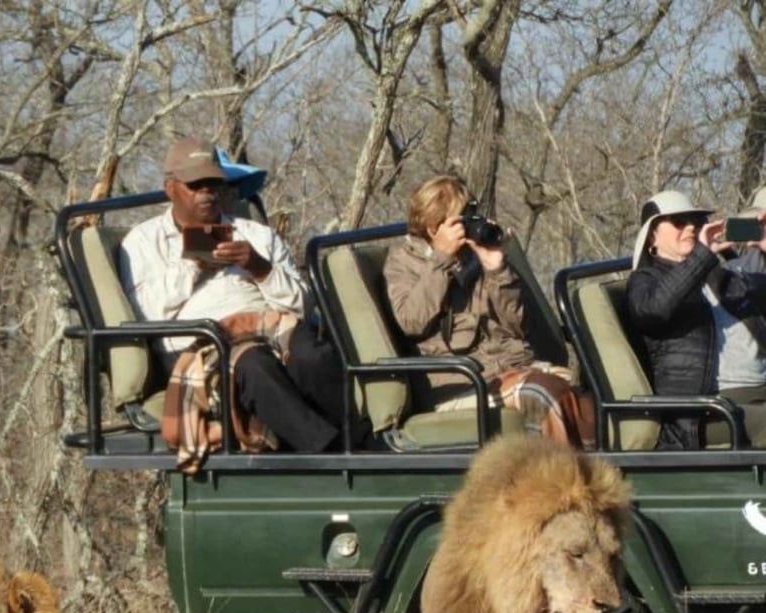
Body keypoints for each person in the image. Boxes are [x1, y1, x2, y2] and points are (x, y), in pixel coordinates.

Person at [118, 137, 355, 454]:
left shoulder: (256, 235)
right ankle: (332, 456)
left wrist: (259, 268)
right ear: (170, 188)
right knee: (255, 365)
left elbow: (303, 304)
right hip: (203, 341)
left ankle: (360, 440)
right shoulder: (144, 241)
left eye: (214, 183)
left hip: (269, 326)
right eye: (196, 184)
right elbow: (148, 312)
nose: (208, 192)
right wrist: (193, 266)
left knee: (314, 354)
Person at [382, 174, 587, 447]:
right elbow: (412, 321)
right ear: (434, 228)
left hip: (507, 367)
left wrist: (496, 269)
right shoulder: (402, 264)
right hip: (458, 383)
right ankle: (562, 485)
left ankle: (600, 477)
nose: (468, 227)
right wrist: (442, 262)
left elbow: (516, 325)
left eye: (471, 217)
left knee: (589, 392)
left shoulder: (474, 257)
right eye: (460, 221)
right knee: (542, 394)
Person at [626, 189, 766, 449]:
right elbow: (654, 310)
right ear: (652, 235)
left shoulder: (717, 274)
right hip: (706, 410)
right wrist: (702, 255)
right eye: (679, 222)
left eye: (696, 221)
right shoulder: (645, 281)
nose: (690, 227)